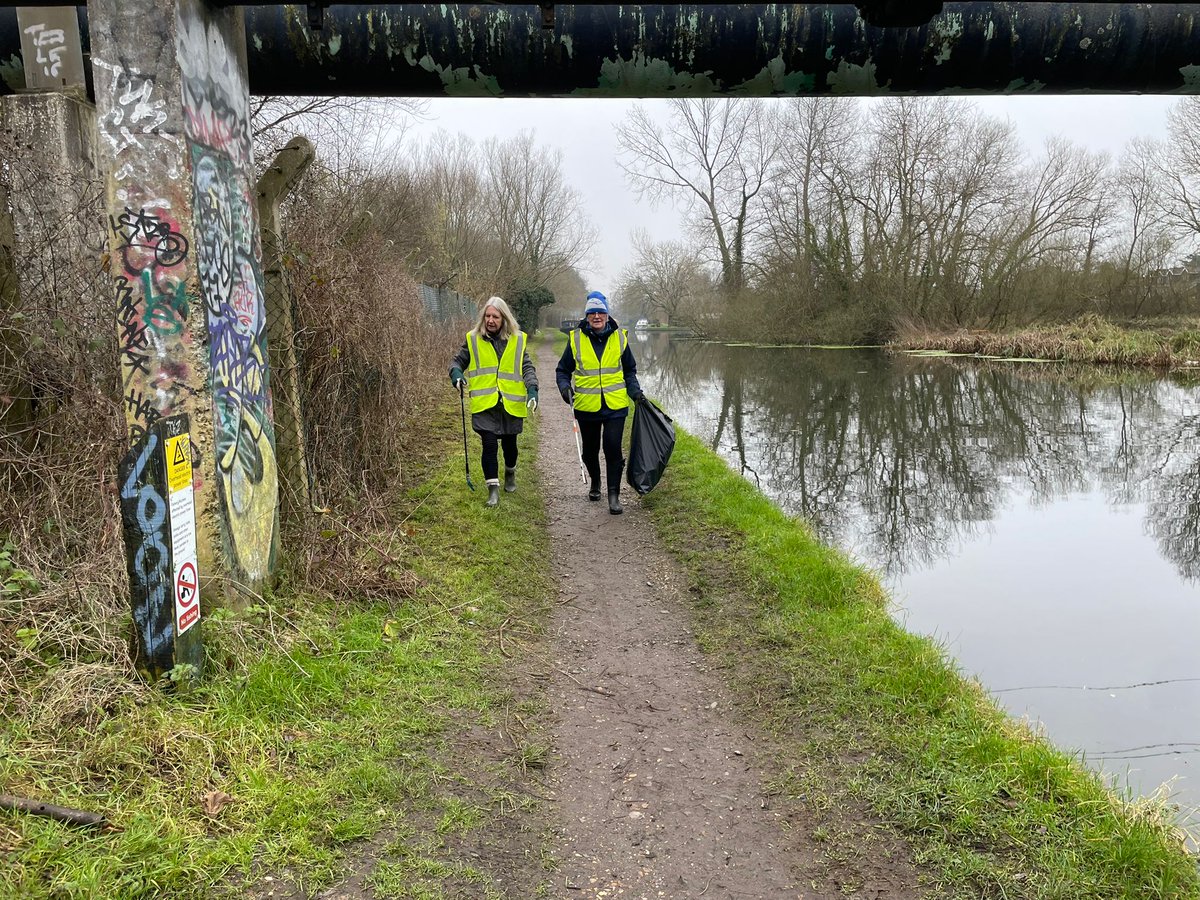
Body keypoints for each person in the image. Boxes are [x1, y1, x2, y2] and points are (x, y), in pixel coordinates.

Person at [555, 290, 644, 515]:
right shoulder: (576, 339)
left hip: (615, 405)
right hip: (587, 405)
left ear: (607, 314)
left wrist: (635, 393)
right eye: (592, 313)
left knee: (613, 447)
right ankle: (595, 481)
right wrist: (565, 388)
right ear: (587, 316)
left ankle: (614, 495)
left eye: (600, 312)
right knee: (590, 451)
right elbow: (563, 370)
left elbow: (630, 371)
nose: (596, 316)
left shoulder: (620, 337)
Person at [450, 296, 538, 507]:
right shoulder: (473, 339)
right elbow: (458, 361)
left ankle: (510, 472)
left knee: (510, 445)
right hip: (485, 403)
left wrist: (532, 389)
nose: (490, 320)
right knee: (489, 444)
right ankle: (493, 490)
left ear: (504, 318)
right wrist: (456, 374)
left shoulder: (517, 340)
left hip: (510, 403)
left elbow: (527, 367)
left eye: (495, 317)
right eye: (487, 316)